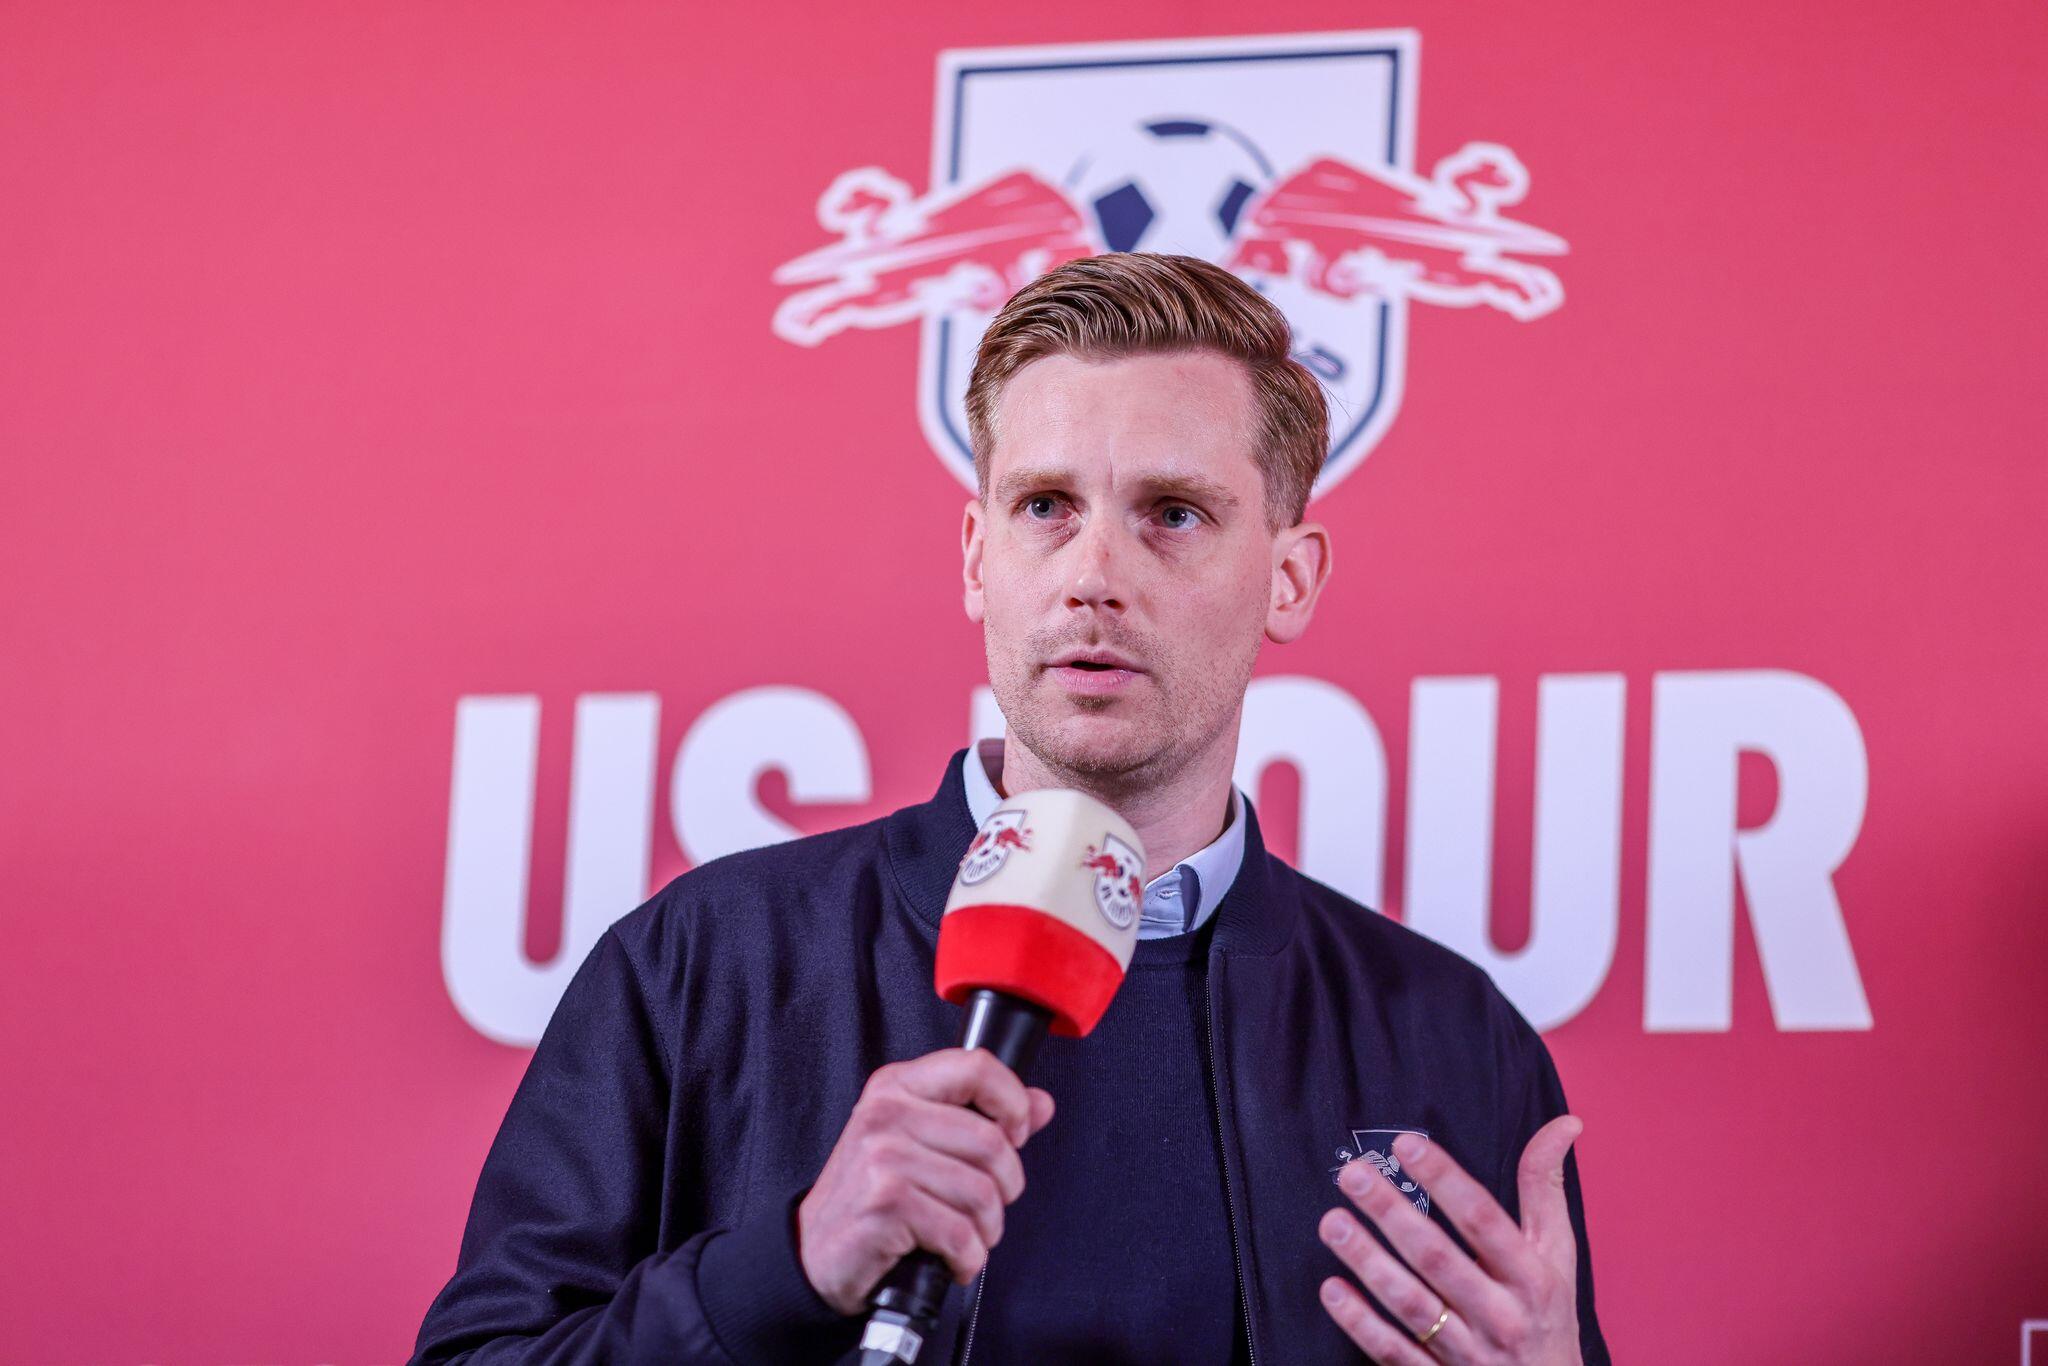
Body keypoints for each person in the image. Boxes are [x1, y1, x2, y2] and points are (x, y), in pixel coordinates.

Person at [410, 253, 1609, 1364]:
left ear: (1287, 580)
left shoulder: (1452, 1038)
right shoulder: (702, 962)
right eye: (1045, 506)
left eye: (1171, 513)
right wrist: (783, 1268)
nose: (1093, 575)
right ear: (978, 557)